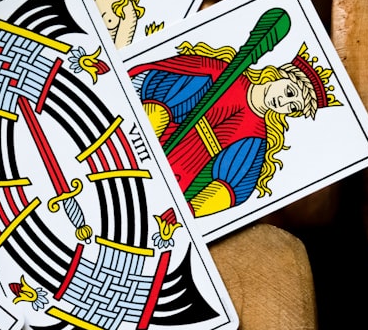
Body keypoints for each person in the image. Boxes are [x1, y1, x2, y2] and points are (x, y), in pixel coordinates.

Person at [128, 41, 339, 217]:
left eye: (293, 107)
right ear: (279, 75)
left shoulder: (256, 139)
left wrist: (180, 213)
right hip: (133, 148)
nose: (284, 102)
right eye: (289, 91)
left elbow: (229, 189)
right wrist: (141, 152)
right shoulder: (220, 73)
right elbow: (160, 97)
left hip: (169, 190)